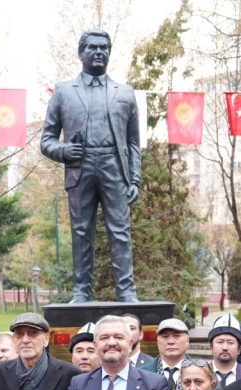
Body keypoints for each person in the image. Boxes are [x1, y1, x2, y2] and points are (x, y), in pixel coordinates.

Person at [41, 29, 141, 303]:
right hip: (79, 167)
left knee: (120, 231)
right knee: (81, 232)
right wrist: (64, 150)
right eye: (93, 47)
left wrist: (135, 178)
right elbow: (47, 140)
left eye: (104, 48)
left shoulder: (125, 93)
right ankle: (82, 291)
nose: (99, 52)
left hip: (114, 167)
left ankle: (126, 292)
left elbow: (133, 143)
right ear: (81, 53)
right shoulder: (63, 92)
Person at [207, 313, 241, 390]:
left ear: (239, 349)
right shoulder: (200, 373)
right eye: (220, 342)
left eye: (230, 342)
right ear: (211, 348)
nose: (225, 347)